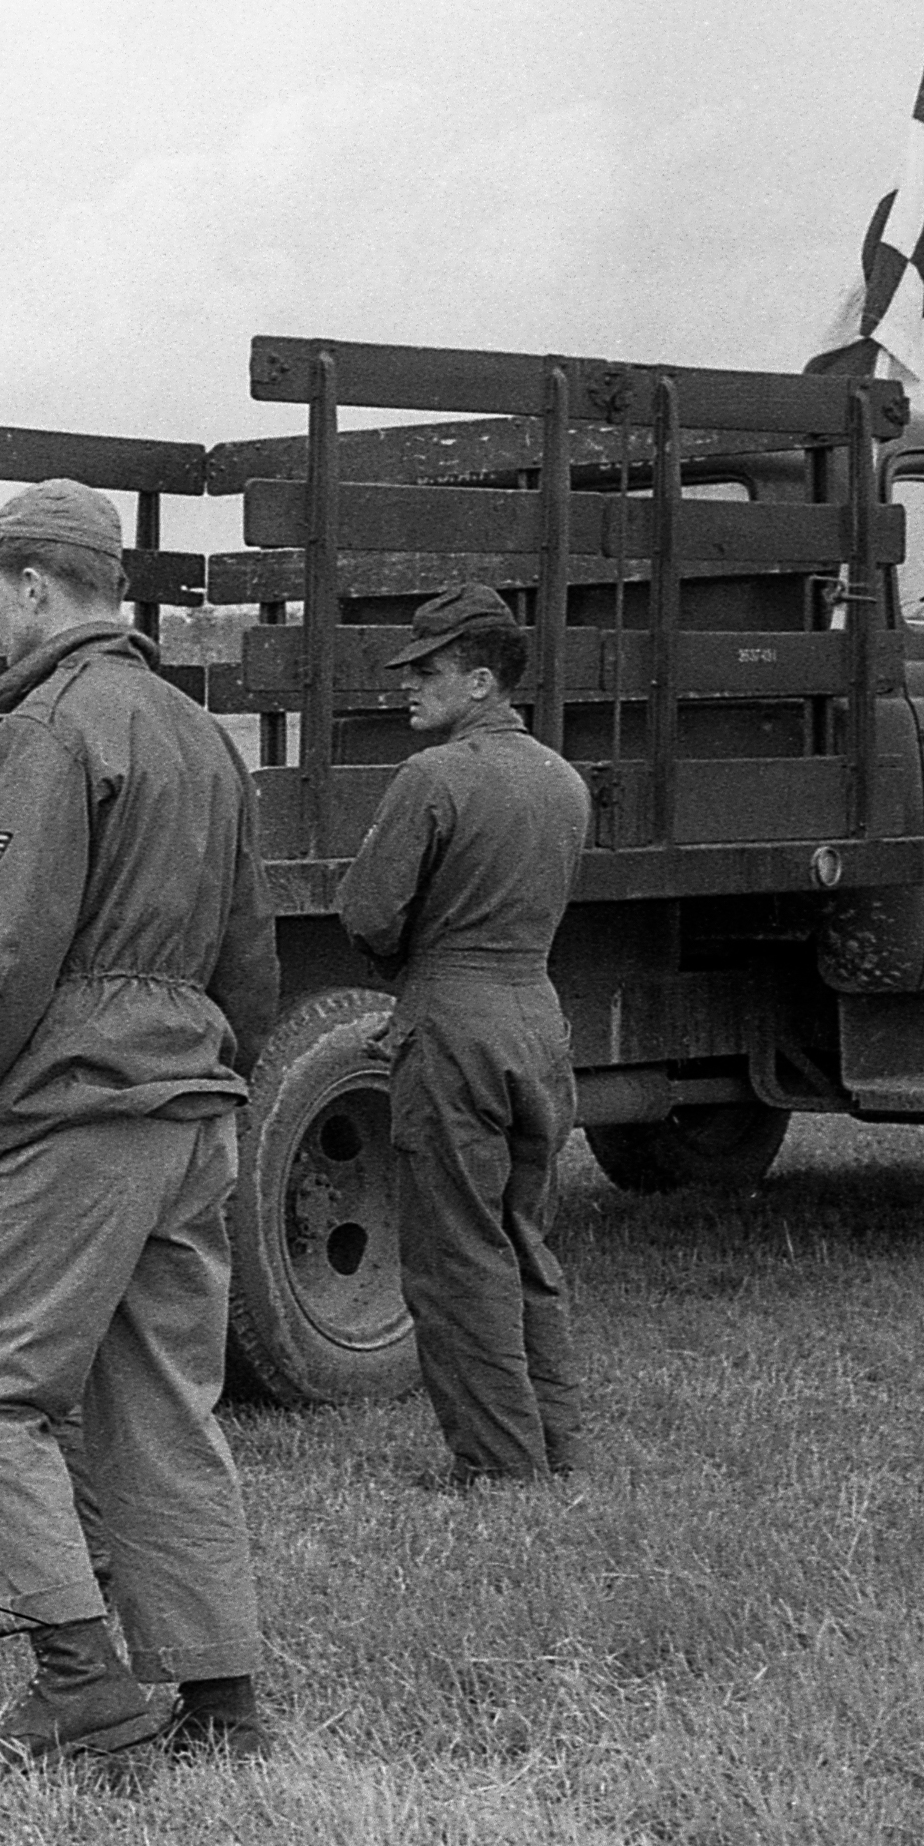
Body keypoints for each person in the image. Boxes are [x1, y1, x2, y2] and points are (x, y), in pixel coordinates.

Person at [0, 481, 282, 1780]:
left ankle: (80, 1684)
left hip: (81, 1102)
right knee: (159, 1403)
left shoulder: (49, 728)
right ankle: (222, 1702)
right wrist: (209, 1071)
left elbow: (1, 947)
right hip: (190, 1104)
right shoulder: (200, 732)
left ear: (32, 587)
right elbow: (249, 951)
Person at [336, 581, 593, 1487]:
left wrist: (412, 978)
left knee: (454, 1255)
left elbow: (368, 911)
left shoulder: (433, 776)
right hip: (536, 1019)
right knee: (522, 1238)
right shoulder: (562, 780)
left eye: (429, 670)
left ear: (481, 681)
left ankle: (496, 1466)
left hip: (454, 1023)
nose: (408, 683)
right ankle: (554, 1446)